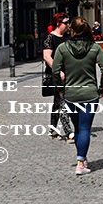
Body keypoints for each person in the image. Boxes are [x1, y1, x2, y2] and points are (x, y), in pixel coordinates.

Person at [51, 17, 103, 175]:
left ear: (73, 30)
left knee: (78, 128)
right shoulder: (95, 48)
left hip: (70, 94)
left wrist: (60, 89)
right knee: (84, 128)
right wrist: (101, 88)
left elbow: (55, 70)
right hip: (90, 93)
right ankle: (81, 162)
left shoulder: (63, 48)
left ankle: (81, 159)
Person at [42, 13, 73, 141]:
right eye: (66, 22)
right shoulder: (50, 38)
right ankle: (68, 131)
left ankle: (53, 130)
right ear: (58, 23)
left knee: (57, 103)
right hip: (55, 75)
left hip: (67, 74)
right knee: (61, 102)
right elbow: (47, 57)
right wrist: (58, 70)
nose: (68, 25)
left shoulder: (67, 37)